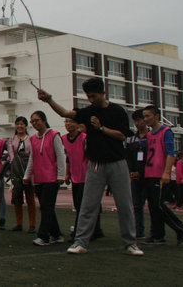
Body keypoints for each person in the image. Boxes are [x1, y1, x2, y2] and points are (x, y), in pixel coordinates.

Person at [38, 77, 143, 256]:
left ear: (103, 93)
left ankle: (130, 243)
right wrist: (49, 100)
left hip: (117, 163)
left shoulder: (117, 111)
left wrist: (101, 128)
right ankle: (80, 242)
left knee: (125, 205)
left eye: (94, 96)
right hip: (95, 165)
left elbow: (122, 136)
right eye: (88, 96)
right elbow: (65, 113)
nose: (91, 99)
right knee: (87, 205)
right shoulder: (88, 112)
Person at [141, 105, 183, 245]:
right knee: (153, 206)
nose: (145, 119)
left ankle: (181, 229)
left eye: (148, 116)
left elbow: (170, 153)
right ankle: (157, 235)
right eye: (144, 117)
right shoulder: (149, 135)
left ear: (156, 116)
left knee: (159, 205)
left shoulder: (166, 132)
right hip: (149, 173)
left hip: (159, 173)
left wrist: (167, 172)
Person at [23, 111, 66, 246]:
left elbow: (60, 155)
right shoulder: (33, 139)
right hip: (39, 178)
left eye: (37, 120)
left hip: (51, 178)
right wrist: (27, 175)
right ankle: (57, 235)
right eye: (32, 121)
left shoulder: (54, 135)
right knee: (46, 207)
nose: (35, 123)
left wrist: (61, 175)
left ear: (44, 120)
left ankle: (44, 236)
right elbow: (32, 158)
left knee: (47, 207)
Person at [62, 116, 104, 241]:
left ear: (78, 124)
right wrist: (67, 173)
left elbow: (93, 156)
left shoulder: (85, 138)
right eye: (66, 121)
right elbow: (68, 157)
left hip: (87, 176)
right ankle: (95, 230)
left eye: (71, 122)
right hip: (76, 176)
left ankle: (80, 232)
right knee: (78, 204)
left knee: (83, 205)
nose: (68, 124)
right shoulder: (64, 139)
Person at [7, 116, 37, 233]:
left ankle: (32, 225)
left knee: (30, 199)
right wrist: (16, 168)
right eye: (18, 124)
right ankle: (19, 224)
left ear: (26, 126)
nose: (19, 126)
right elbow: (11, 155)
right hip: (17, 172)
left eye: (22, 124)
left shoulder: (31, 139)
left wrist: (28, 172)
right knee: (17, 198)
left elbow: (32, 155)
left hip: (29, 171)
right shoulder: (11, 140)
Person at [126, 109, 149, 239]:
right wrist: (132, 172)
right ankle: (139, 231)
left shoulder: (151, 137)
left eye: (139, 120)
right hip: (135, 176)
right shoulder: (132, 139)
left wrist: (141, 172)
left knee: (154, 205)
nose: (137, 123)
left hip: (149, 175)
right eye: (135, 121)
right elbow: (128, 157)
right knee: (136, 205)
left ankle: (156, 232)